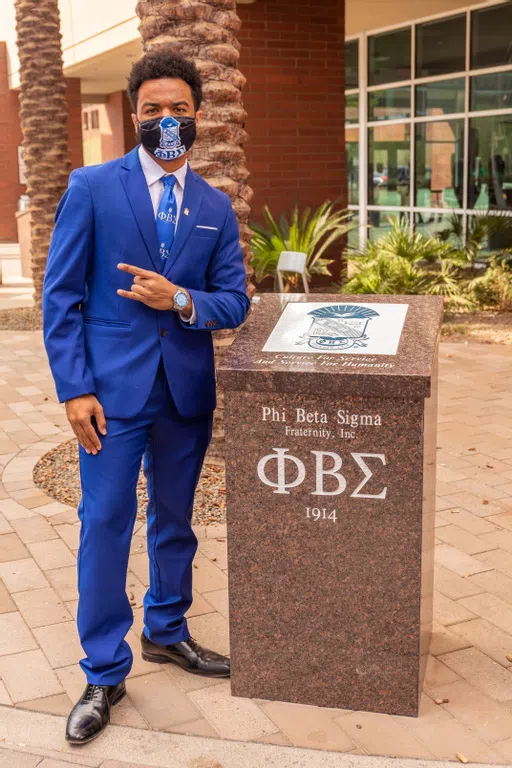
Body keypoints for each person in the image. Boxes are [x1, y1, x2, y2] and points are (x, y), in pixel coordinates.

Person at [42, 47, 250, 745]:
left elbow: (233, 303)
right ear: (136, 115)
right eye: (154, 109)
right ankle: (104, 667)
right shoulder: (92, 187)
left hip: (183, 395)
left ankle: (167, 630)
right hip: (110, 395)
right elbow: (61, 297)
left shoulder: (215, 207)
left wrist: (182, 298)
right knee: (105, 524)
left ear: (198, 117)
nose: (168, 120)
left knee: (174, 522)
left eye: (180, 110)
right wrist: (74, 389)